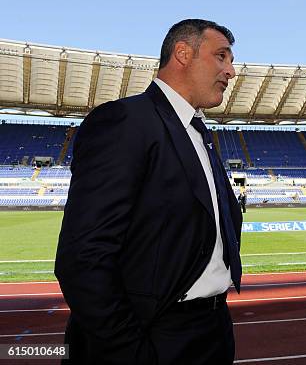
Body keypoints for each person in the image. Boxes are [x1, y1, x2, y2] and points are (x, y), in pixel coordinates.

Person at [55, 19, 242, 365]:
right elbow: (83, 259)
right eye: (221, 56)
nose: (231, 71)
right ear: (183, 54)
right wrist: (131, 352)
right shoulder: (126, 121)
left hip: (212, 330)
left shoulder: (200, 133)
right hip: (155, 336)